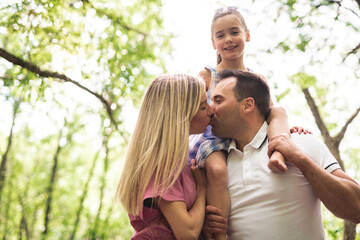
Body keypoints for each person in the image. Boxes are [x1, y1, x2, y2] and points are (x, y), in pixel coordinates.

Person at [205, 69, 360, 239]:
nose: (210, 109)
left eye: (218, 101)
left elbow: (356, 208)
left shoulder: (300, 143)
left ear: (248, 105)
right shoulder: (216, 165)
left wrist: (299, 158)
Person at [189, 6, 290, 239]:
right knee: (217, 170)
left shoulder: (256, 78)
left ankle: (280, 152)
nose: (228, 40)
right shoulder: (208, 74)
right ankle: (219, 232)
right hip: (212, 136)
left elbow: (268, 111)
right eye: (220, 35)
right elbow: (190, 105)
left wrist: (289, 129)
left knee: (279, 112)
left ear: (247, 34)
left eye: (234, 32)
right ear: (213, 43)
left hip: (244, 136)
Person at [116, 74, 214, 239]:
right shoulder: (162, 167)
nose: (211, 111)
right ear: (180, 115)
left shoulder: (177, 161)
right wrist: (202, 189)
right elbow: (187, 233)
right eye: (203, 107)